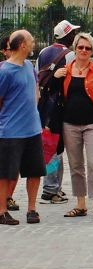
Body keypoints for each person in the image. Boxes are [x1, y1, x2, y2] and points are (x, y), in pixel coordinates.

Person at [54, 32, 93, 220]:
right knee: (76, 165)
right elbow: (56, 91)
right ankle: (80, 204)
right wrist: (55, 75)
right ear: (75, 49)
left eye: (87, 48)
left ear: (92, 51)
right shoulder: (65, 70)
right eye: (80, 47)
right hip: (70, 123)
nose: (84, 51)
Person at [0, 30, 44, 225]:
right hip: (10, 131)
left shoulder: (28, 65)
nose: (34, 43)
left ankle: (32, 209)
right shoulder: (5, 72)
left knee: (34, 171)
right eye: (31, 41)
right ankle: (1, 210)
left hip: (33, 129)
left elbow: (35, 89)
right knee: (5, 174)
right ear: (22, 46)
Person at [36, 19, 80, 205]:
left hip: (45, 105)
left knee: (52, 144)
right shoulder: (70, 56)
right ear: (67, 36)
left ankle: (55, 187)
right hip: (61, 106)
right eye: (73, 34)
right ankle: (49, 190)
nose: (74, 37)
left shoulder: (42, 53)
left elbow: (38, 79)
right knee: (55, 147)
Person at [0, 35, 20, 214]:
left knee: (14, 167)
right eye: (9, 48)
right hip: (5, 122)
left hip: (18, 125)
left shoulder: (26, 67)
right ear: (4, 52)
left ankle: (7, 196)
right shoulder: (3, 70)